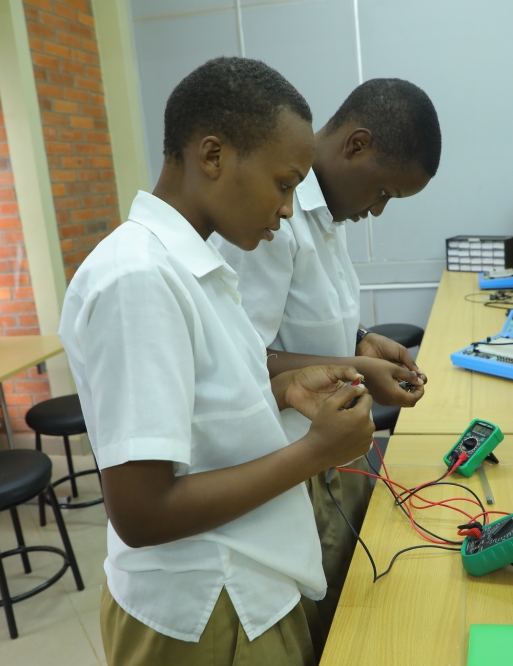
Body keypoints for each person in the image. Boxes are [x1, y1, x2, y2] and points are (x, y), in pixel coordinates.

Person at [57, 57, 375, 666]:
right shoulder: (138, 278)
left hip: (244, 579)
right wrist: (316, 452)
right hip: (206, 602)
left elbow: (202, 403)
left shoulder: (194, 262)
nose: (288, 210)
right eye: (283, 183)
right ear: (212, 156)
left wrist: (284, 389)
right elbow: (143, 511)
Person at [214, 78, 442, 631]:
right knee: (331, 617)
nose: (380, 210)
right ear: (356, 144)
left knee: (354, 590)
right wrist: (359, 368)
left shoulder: (332, 211)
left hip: (331, 445)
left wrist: (361, 337)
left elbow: (302, 316)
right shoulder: (272, 220)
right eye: (384, 192)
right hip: (290, 453)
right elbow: (240, 361)